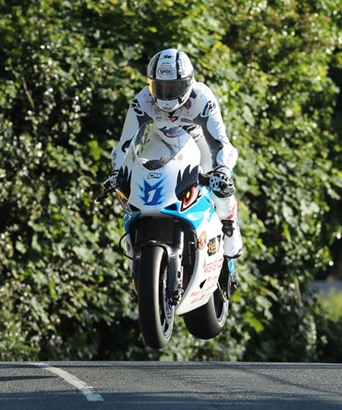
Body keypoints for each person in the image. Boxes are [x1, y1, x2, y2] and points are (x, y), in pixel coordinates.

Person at [104, 48, 243, 259]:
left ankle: (229, 223)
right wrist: (117, 172)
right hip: (161, 143)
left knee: (220, 188)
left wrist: (221, 171)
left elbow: (222, 144)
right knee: (134, 193)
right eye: (160, 87)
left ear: (188, 83)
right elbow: (124, 144)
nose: (167, 94)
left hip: (199, 144)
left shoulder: (202, 98)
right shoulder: (142, 100)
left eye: (173, 87)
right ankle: (137, 260)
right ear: (150, 84)